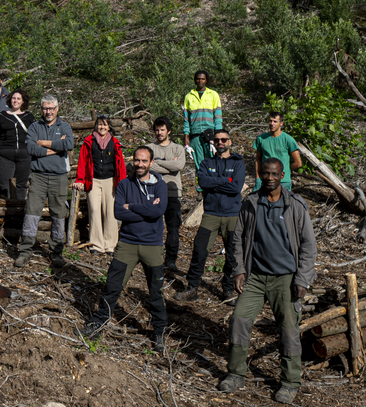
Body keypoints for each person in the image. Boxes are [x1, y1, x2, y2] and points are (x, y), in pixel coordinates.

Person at [219, 158, 317, 404]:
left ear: (282, 175)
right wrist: (238, 271)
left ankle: (290, 382)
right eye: (266, 173)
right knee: (239, 320)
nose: (270, 178)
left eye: (274, 174)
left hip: (285, 278)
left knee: (288, 329)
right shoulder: (251, 202)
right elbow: (237, 239)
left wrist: (302, 279)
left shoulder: (295, 205)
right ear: (260, 175)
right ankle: (235, 373)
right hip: (255, 276)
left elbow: (308, 246)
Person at [78, 147, 169, 350]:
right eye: (137, 160)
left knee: (155, 291)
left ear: (151, 163)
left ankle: (159, 331)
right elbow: (119, 212)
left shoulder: (160, 186)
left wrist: (133, 207)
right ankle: (97, 324)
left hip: (152, 245)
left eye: (144, 161)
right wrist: (145, 209)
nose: (139, 164)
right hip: (127, 243)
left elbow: (159, 211)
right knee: (112, 286)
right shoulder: (124, 185)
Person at [176, 129, 245, 302]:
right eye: (217, 140)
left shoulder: (238, 163)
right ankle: (192, 287)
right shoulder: (206, 163)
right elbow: (204, 182)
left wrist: (216, 183)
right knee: (200, 250)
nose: (220, 142)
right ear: (213, 143)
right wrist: (226, 181)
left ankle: (228, 290)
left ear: (229, 142)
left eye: (223, 139)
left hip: (232, 215)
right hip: (211, 214)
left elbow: (236, 188)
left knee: (232, 253)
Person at [16, 94, 74, 268]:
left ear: (57, 108)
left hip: (59, 177)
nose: (48, 111)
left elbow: (69, 144)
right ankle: (25, 250)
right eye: (45, 108)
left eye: (51, 108)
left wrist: (44, 143)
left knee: (59, 215)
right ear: (41, 109)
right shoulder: (34, 127)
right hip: (38, 176)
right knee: (31, 213)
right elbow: (31, 148)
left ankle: (56, 252)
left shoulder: (64, 126)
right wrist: (55, 147)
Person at [74, 115, 127, 255]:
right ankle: (96, 244)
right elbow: (83, 162)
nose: (102, 127)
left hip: (110, 180)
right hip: (93, 181)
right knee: (95, 210)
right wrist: (80, 179)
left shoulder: (114, 143)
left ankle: (110, 245)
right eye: (99, 125)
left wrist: (122, 184)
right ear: (96, 126)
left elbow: (120, 164)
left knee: (110, 212)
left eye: (105, 125)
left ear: (109, 127)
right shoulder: (89, 142)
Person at [148, 116, 186, 272]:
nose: (159, 132)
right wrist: (170, 165)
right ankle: (152, 258)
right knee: (153, 227)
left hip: (173, 193)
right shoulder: (149, 147)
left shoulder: (178, 148)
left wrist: (156, 162)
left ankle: (170, 260)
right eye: (157, 130)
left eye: (162, 129)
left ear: (169, 131)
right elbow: (145, 167)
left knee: (173, 228)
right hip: (153, 192)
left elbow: (179, 165)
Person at [0, 89, 34, 200]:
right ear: (9, 100)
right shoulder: (2, 116)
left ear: (23, 101)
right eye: (13, 98)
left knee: (21, 185)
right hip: (4, 154)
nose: (15, 101)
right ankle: (3, 212)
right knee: (3, 185)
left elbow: (35, 136)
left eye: (18, 99)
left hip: (24, 154)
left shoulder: (29, 117)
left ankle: (18, 211)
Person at [183, 70, 223, 172]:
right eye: (198, 79)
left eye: (202, 79)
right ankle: (200, 187)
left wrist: (218, 136)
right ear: (195, 80)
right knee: (199, 164)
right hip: (195, 134)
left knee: (213, 161)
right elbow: (186, 119)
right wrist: (186, 136)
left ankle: (213, 186)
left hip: (209, 133)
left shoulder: (213, 95)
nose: (200, 81)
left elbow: (218, 117)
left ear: (206, 81)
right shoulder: (189, 96)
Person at [254, 111, 302, 191]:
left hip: (283, 181)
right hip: (265, 180)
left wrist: (285, 170)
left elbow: (298, 163)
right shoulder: (261, 139)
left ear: (281, 123)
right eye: (270, 121)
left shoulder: (288, 140)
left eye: (275, 121)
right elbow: (258, 159)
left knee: (283, 202)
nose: (272, 123)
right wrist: (257, 177)